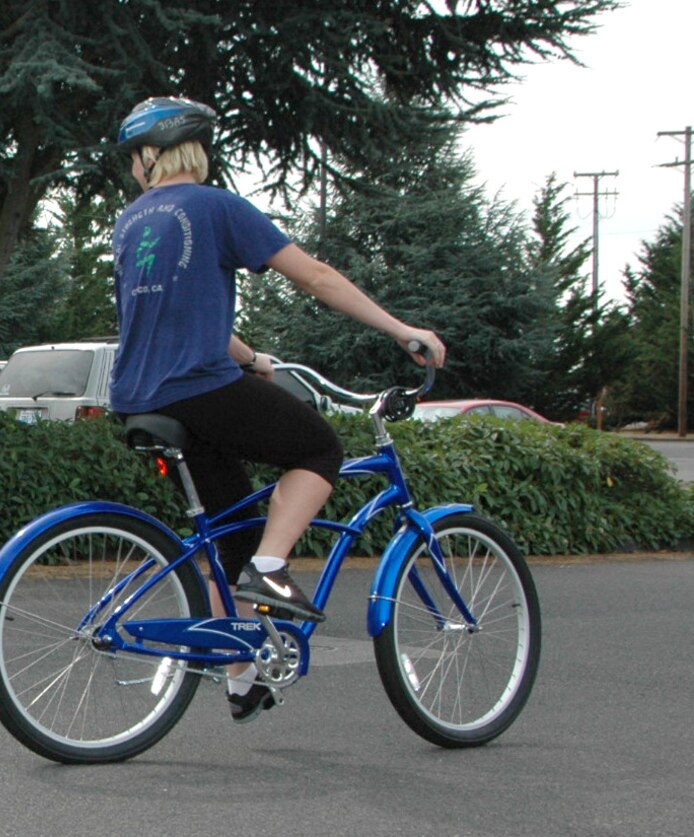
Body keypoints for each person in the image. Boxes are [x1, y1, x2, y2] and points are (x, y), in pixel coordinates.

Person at [108, 97, 447, 723]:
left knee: (224, 545)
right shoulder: (216, 207)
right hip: (198, 390)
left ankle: (240, 679)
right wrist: (401, 329)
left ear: (149, 156)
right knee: (317, 448)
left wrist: (251, 356)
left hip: (138, 397)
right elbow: (314, 276)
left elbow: (170, 311)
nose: (133, 167)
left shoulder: (132, 221)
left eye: (133, 156)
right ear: (194, 150)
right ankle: (273, 566)